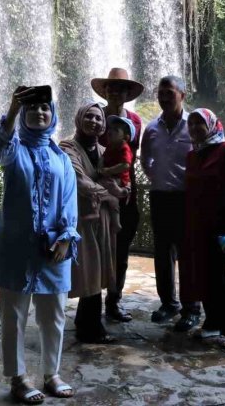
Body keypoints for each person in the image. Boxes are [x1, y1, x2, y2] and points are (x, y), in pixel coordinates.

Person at [0, 86, 80, 403]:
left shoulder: (60, 157)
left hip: (54, 249)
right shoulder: (14, 151)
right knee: (14, 316)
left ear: (53, 116)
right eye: (33, 108)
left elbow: (69, 200)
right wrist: (12, 107)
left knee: (54, 316)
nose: (40, 112)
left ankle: (52, 374)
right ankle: (19, 378)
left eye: (45, 108)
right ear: (24, 115)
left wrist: (67, 237)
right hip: (15, 247)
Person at [180, 108, 225, 349]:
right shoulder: (193, 155)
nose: (195, 128)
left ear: (211, 125)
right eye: (191, 124)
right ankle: (212, 324)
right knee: (206, 275)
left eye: (200, 123)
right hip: (200, 228)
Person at [60, 102, 127, 343]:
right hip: (81, 218)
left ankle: (84, 321)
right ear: (79, 118)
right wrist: (109, 193)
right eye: (89, 116)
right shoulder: (67, 148)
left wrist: (120, 188)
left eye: (99, 119)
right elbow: (78, 179)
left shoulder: (102, 150)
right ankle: (91, 329)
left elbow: (115, 175)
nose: (94, 122)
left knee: (97, 271)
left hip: (104, 218)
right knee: (89, 270)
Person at [139, 75, 201, 331]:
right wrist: (155, 175)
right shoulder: (152, 128)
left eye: (169, 93)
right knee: (163, 253)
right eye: (160, 93)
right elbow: (144, 159)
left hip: (187, 198)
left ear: (182, 96)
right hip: (160, 196)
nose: (164, 97)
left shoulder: (195, 126)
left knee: (188, 254)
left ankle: (192, 308)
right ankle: (169, 303)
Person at [92, 68, 144, 323]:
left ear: (127, 93)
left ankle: (114, 301)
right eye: (111, 87)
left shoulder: (135, 120)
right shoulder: (95, 116)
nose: (115, 92)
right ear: (105, 91)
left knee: (121, 252)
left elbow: (130, 157)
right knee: (93, 248)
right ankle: (90, 304)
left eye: (121, 88)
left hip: (125, 194)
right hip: (96, 192)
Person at [98, 115, 135, 196]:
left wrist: (109, 170)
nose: (110, 131)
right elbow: (103, 157)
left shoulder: (125, 148)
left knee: (103, 183)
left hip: (120, 179)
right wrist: (100, 167)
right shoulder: (110, 145)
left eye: (116, 130)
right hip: (110, 176)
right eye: (110, 128)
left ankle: (121, 192)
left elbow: (126, 165)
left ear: (125, 137)